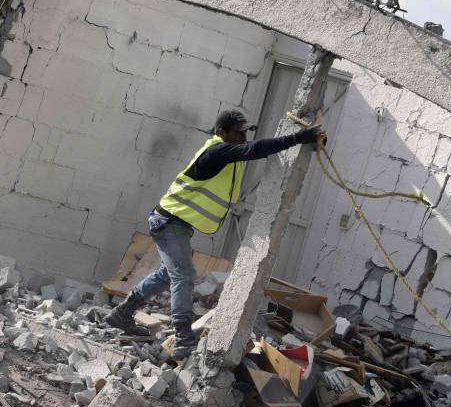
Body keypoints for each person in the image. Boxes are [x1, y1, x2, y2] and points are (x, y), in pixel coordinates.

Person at [104, 109, 326, 360]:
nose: (243, 137)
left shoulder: (225, 151)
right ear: (221, 132)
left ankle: (122, 313)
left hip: (176, 223)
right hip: (168, 221)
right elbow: (255, 150)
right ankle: (183, 338)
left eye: (245, 132)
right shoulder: (216, 151)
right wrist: (298, 138)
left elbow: (251, 149)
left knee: (170, 274)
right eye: (238, 132)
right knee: (184, 276)